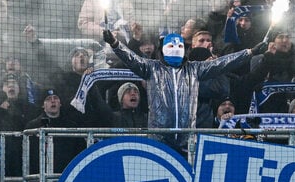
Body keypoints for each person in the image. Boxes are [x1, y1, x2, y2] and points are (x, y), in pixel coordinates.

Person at [103, 29, 267, 151]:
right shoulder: (152, 68)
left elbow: (222, 63)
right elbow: (131, 59)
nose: (175, 47)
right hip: (159, 139)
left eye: (179, 44)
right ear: (163, 48)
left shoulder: (194, 69)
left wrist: (249, 52)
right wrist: (115, 44)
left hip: (187, 139)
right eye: (171, 45)